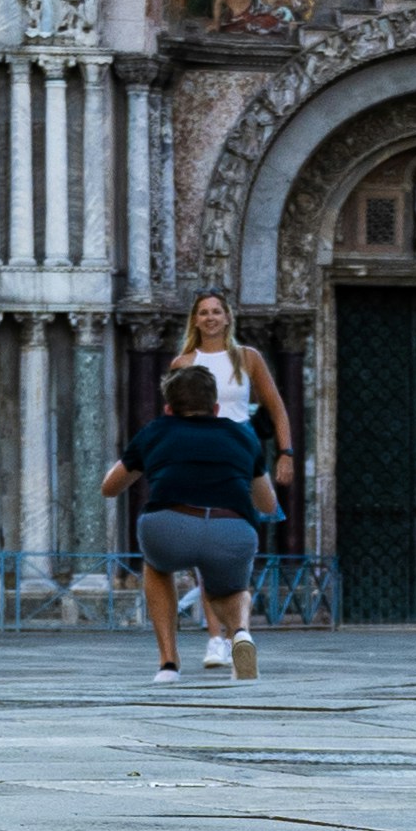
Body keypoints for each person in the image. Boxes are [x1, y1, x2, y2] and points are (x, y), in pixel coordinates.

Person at [110, 344, 267, 680]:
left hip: (170, 525)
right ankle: (240, 632)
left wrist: (150, 462)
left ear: (168, 408)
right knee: (232, 589)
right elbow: (267, 502)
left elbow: (109, 487)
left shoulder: (156, 430)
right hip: (231, 527)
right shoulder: (242, 436)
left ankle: (168, 663)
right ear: (215, 406)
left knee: (156, 568)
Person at [176, 284, 297, 570]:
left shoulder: (247, 357)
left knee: (245, 522)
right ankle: (210, 600)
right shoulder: (184, 363)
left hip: (241, 447)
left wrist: (286, 453)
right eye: (203, 313)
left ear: (228, 317)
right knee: (203, 525)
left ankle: (231, 592)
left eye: (216, 311)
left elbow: (276, 407)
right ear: (195, 320)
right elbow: (176, 417)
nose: (210, 317)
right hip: (201, 449)